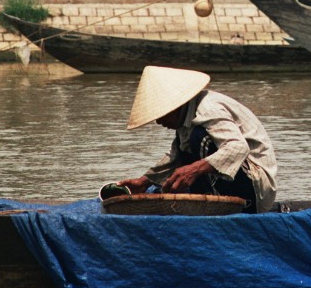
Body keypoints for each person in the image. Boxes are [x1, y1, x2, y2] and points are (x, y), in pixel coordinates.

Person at [117, 66, 277, 213]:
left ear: (174, 107)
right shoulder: (187, 117)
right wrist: (144, 182)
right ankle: (208, 202)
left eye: (160, 116)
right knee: (186, 148)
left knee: (200, 139)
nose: (158, 122)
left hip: (257, 189)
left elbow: (238, 147)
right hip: (238, 179)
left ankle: (219, 207)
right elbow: (174, 158)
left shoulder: (207, 109)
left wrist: (193, 169)